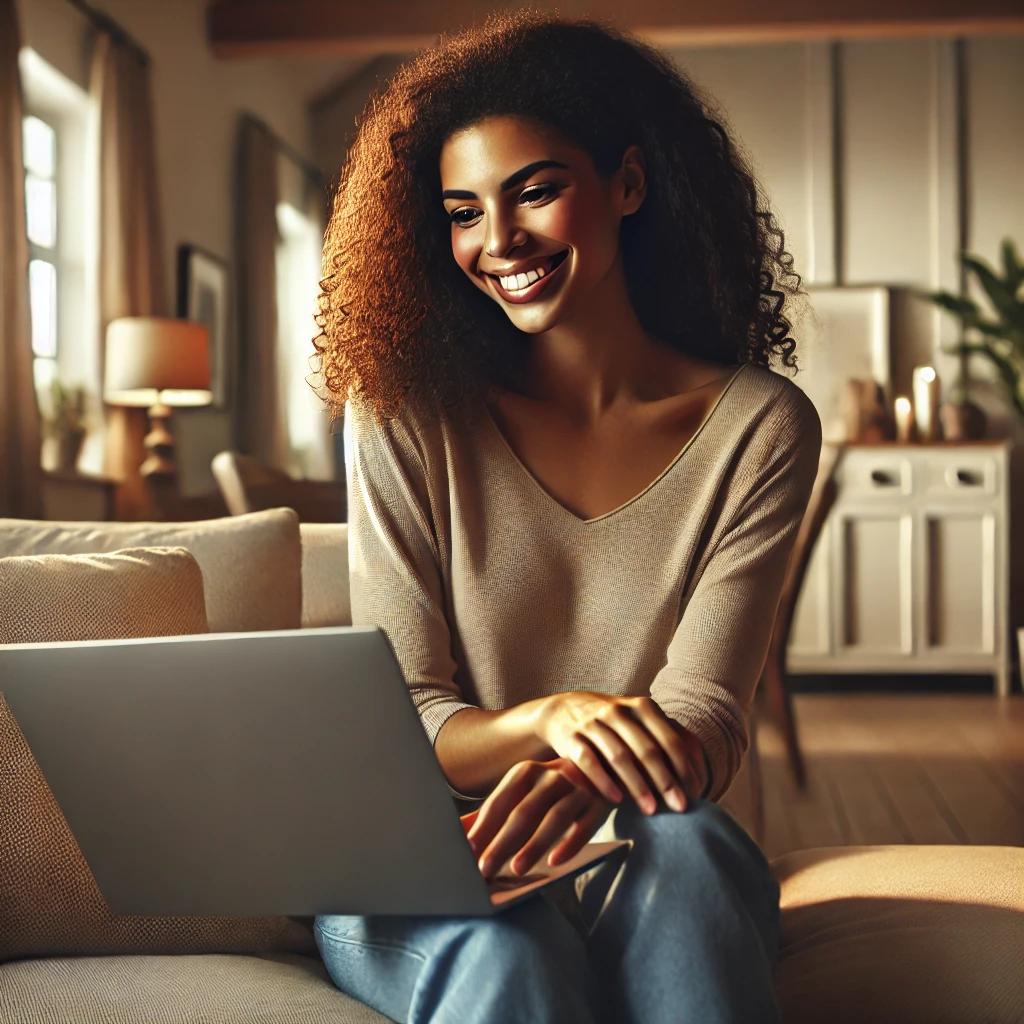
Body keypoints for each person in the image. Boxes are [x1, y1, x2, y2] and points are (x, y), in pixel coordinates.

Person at [311, 11, 821, 1024]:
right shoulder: (405, 413)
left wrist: (598, 775)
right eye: (462, 212)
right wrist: (554, 718)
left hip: (644, 827)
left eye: (534, 191)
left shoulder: (759, 427)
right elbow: (410, 717)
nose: (496, 242)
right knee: (509, 952)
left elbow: (705, 719)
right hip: (429, 849)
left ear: (627, 184)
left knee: (688, 847)